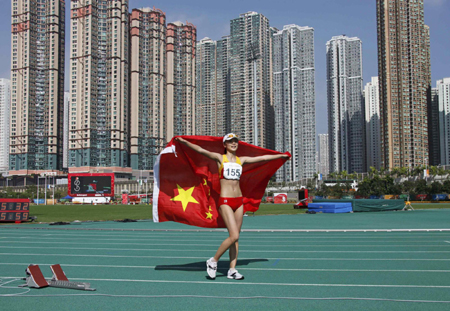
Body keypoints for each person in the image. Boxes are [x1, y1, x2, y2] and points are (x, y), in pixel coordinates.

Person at [176, 133, 290, 280]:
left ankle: (232, 270)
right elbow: (200, 150)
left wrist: (280, 156)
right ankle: (213, 261)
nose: (233, 143)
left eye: (235, 141)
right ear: (225, 145)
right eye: (230, 142)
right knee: (233, 235)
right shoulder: (219, 158)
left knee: (236, 238)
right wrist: (184, 142)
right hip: (225, 201)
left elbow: (262, 158)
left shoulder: (240, 160)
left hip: (239, 201)